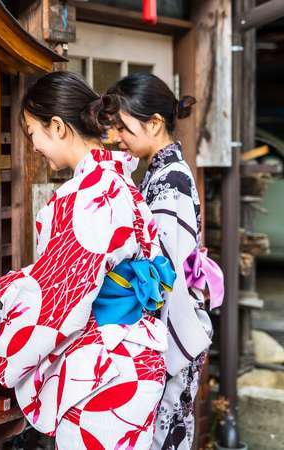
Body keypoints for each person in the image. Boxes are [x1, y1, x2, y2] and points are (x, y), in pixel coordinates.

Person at [0, 71, 174, 449]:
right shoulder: (118, 182)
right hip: (136, 359)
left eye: (32, 132)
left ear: (57, 126)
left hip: (107, 373)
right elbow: (62, 273)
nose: (33, 146)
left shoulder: (84, 197)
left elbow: (59, 303)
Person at [100, 72, 223, 450]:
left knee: (162, 436)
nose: (116, 136)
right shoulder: (160, 172)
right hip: (168, 318)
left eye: (123, 127)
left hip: (173, 324)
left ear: (154, 123)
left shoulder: (172, 181)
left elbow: (160, 271)